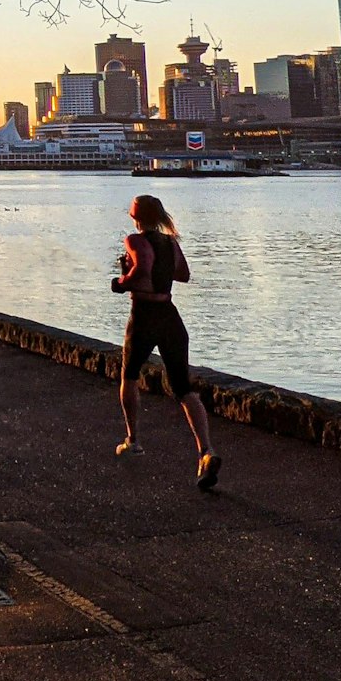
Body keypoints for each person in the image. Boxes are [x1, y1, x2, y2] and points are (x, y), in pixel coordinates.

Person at [111, 194, 221, 490]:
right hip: (170, 316)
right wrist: (148, 273)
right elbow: (182, 274)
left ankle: (133, 439)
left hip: (146, 315)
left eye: (132, 211)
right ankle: (206, 451)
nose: (130, 215)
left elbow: (143, 268)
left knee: (129, 375)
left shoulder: (134, 240)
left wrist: (122, 282)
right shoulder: (170, 242)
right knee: (183, 388)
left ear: (139, 216)